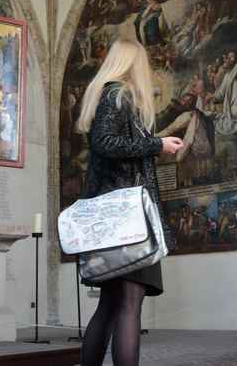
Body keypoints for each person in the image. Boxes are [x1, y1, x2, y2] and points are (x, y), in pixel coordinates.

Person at [76, 38, 183, 366]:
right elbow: (106, 143)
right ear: (134, 64)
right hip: (129, 220)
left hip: (119, 217)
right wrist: (156, 145)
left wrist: (155, 144)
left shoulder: (110, 97)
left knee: (110, 304)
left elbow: (111, 145)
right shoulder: (117, 94)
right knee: (128, 304)